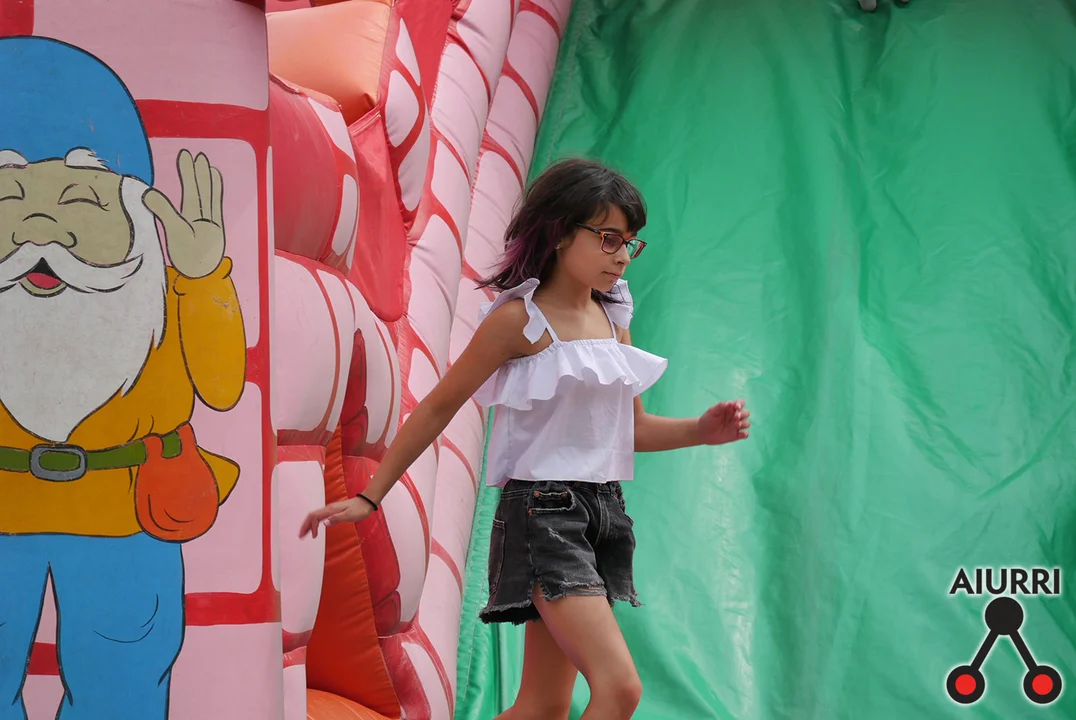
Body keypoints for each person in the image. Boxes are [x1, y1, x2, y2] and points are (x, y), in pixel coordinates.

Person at [299, 158, 751, 719]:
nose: (621, 256)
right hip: (544, 514)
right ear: (560, 233)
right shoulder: (520, 320)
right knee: (620, 688)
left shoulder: (614, 317)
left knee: (542, 706)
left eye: (630, 243)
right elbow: (439, 405)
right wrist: (371, 496)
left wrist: (701, 432)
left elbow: (631, 429)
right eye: (608, 238)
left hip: (602, 512)